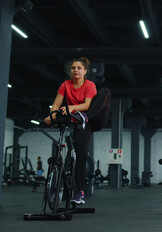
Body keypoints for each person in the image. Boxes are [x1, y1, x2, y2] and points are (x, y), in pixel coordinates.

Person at [44, 57, 111, 205]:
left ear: (85, 71)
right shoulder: (65, 85)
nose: (75, 70)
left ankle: (84, 118)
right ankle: (79, 192)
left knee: (105, 91)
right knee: (80, 155)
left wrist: (72, 109)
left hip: (93, 118)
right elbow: (56, 103)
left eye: (79, 68)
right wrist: (52, 115)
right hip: (78, 122)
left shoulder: (90, 85)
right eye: (73, 68)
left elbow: (87, 104)